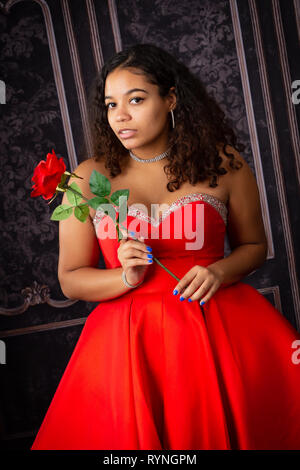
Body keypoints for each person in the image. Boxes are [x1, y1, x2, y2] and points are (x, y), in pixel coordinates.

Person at [31, 43, 300, 450]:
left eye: (135, 100)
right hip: (127, 342)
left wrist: (219, 271)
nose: (120, 116)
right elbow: (70, 279)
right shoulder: (85, 179)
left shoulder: (224, 164)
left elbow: (254, 245)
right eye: (110, 104)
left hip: (216, 329)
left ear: (171, 98)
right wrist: (124, 276)